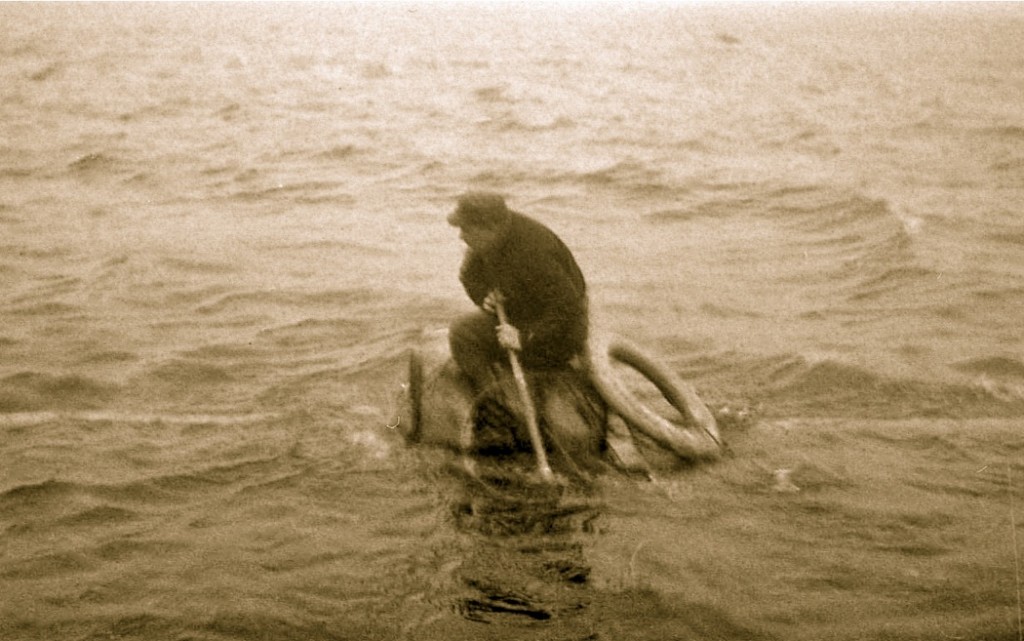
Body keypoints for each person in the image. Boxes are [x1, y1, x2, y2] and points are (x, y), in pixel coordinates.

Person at [447, 191, 588, 397]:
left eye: (466, 229)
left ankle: (504, 405)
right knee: (462, 332)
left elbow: (568, 307)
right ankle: (491, 394)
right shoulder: (486, 241)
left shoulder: (533, 252)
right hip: (519, 313)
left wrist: (524, 338)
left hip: (556, 333)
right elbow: (469, 276)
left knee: (464, 333)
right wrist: (485, 297)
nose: (461, 235)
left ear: (490, 228)